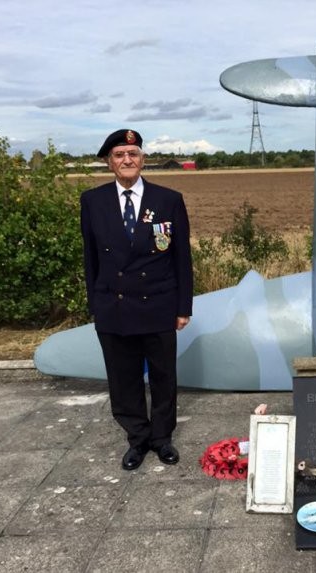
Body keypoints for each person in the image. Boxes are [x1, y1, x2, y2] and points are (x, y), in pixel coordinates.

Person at [80, 129, 193, 471]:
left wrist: (183, 307)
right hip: (113, 305)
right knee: (123, 378)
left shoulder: (168, 199)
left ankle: (161, 439)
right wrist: (95, 305)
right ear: (109, 162)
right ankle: (137, 438)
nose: (127, 160)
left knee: (163, 376)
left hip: (158, 303)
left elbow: (181, 258)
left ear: (143, 159)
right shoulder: (92, 201)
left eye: (133, 153)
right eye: (119, 155)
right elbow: (91, 259)